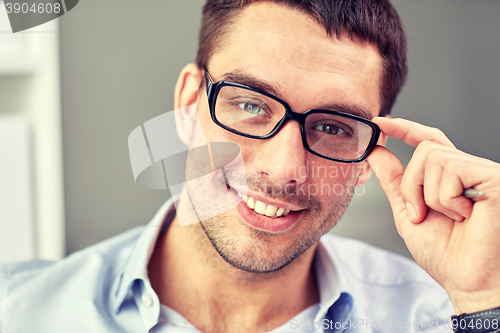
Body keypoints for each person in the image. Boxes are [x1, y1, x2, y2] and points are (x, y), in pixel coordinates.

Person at [1, 0, 500, 332]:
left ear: (369, 157)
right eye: (252, 104)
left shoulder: (446, 316)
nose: (285, 169)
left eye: (332, 127)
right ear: (188, 102)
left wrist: (483, 299)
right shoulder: (19, 311)